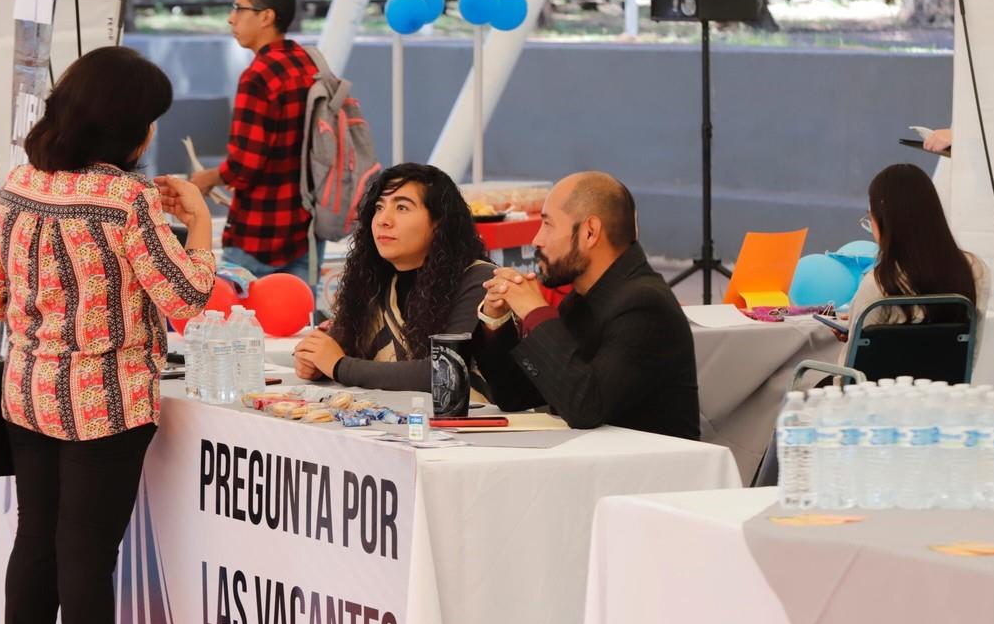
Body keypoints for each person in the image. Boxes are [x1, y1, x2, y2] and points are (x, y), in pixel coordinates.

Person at [0, 46, 215, 624]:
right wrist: (198, 219)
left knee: (35, 543)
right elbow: (185, 298)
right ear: (128, 128)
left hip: (29, 392)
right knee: (87, 556)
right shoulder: (127, 201)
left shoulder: (19, 186)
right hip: (109, 402)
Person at [474, 171, 700, 438]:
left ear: (590, 232)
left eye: (547, 224)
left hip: (651, 473)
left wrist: (536, 313)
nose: (536, 240)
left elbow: (585, 407)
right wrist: (496, 321)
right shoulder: (583, 300)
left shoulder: (644, 305)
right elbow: (515, 394)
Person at [293, 163, 495, 391]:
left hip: (466, 424)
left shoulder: (479, 280)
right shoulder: (374, 282)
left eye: (401, 208)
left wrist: (340, 366)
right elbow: (334, 348)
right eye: (379, 207)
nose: (383, 220)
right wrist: (313, 361)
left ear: (439, 223)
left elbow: (444, 371)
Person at [189, 0, 320, 281]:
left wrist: (207, 178)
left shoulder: (258, 75)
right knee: (300, 325)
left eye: (239, 8)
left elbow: (245, 166)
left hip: (258, 234)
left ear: (266, 17)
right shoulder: (307, 61)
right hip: (305, 228)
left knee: (241, 324)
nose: (231, 19)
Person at [838, 163, 989, 362]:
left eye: (870, 216)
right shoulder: (974, 269)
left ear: (884, 221)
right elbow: (972, 351)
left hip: (877, 391)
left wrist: (855, 333)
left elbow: (849, 372)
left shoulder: (879, 283)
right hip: (946, 388)